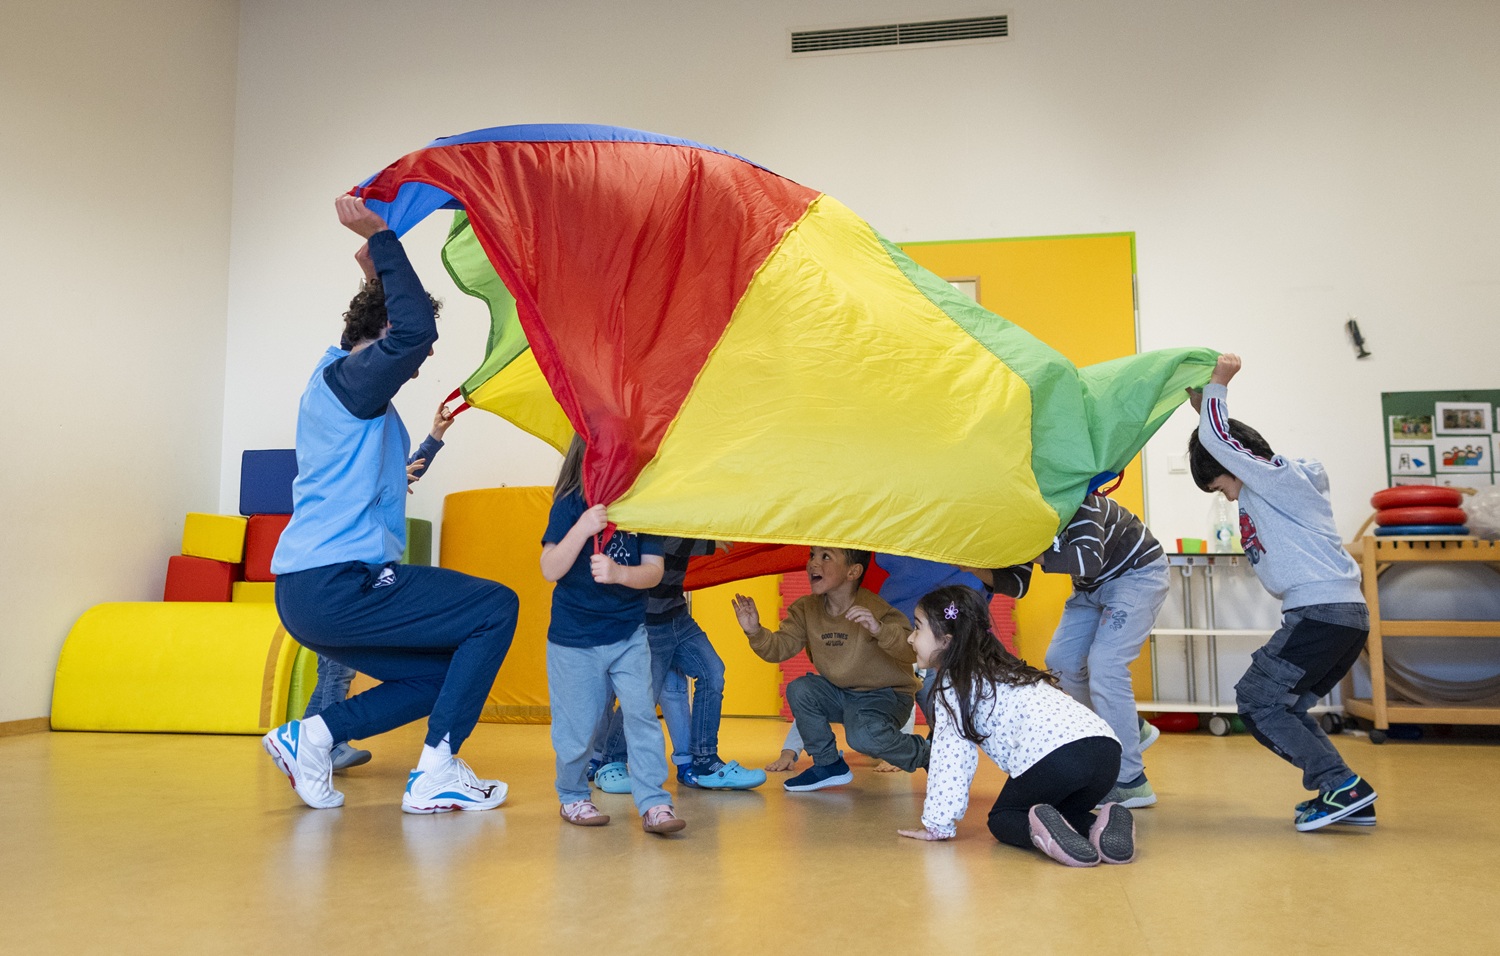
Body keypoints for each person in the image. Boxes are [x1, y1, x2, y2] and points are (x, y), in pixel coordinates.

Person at [263, 196, 520, 814]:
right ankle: (437, 769)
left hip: (312, 591)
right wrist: (381, 239)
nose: (426, 357)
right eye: (407, 349)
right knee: (495, 607)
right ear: (375, 338)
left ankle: (313, 737)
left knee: (435, 675)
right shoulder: (352, 382)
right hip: (336, 583)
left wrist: (375, 276)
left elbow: (394, 331)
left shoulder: (341, 382)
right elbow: (413, 332)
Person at [1188, 353, 1376, 831]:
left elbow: (1221, 441)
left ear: (1238, 466)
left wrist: (1218, 385)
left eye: (1219, 486)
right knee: (1285, 705)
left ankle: (1340, 785)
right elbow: (1222, 441)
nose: (1227, 497)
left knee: (1257, 700)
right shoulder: (1278, 482)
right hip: (1339, 617)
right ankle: (1346, 793)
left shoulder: (1271, 478)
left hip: (1320, 614)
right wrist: (1202, 407)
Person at [896, 587, 1134, 866]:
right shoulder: (1007, 667)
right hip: (1105, 752)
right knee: (1053, 810)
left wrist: (938, 825)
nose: (911, 638)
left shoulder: (954, 686)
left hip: (1058, 756)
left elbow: (951, 758)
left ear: (946, 640)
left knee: (1005, 818)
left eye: (917, 628)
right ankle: (1102, 825)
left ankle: (1050, 839)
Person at [967, 495, 1169, 809]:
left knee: (1107, 665)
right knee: (1060, 661)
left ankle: (1131, 782)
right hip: (1090, 587)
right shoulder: (1022, 517)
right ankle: (1132, 729)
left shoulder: (1083, 500)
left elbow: (1088, 560)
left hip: (1137, 574)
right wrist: (968, 565)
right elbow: (1018, 584)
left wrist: (1025, 548)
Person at [302, 398, 457, 773]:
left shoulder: (385, 475)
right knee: (337, 670)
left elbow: (410, 469)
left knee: (333, 670)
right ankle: (329, 744)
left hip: (362, 579)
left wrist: (435, 436)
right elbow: (359, 492)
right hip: (341, 580)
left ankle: (305, 738)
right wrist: (388, 482)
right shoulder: (351, 475)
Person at [540, 435, 685, 834]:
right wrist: (583, 528)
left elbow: (653, 571)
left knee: (641, 716)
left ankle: (654, 803)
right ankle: (572, 796)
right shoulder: (570, 503)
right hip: (574, 640)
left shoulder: (640, 509)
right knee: (577, 727)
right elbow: (550, 568)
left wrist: (620, 573)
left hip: (628, 636)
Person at [733, 547, 928, 792]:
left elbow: (911, 651)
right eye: (812, 555)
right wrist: (754, 631)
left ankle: (930, 757)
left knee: (861, 737)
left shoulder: (875, 606)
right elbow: (778, 648)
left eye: (826, 557)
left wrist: (879, 629)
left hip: (886, 696)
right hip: (842, 693)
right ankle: (828, 764)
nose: (814, 563)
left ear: (853, 571)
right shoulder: (805, 609)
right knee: (801, 689)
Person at [592, 538, 766, 791]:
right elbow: (667, 542)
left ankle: (704, 760)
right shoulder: (663, 528)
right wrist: (710, 543)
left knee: (713, 672)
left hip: (677, 616)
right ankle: (611, 761)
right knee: (642, 697)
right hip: (650, 621)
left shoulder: (687, 524)